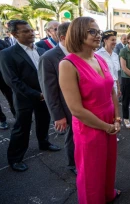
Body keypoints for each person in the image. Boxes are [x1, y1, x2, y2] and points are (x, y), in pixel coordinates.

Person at [59, 17, 121, 203]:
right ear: (78, 33)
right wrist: (106, 126)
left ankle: (107, 194)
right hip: (90, 125)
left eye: (98, 31)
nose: (97, 35)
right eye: (92, 31)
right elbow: (76, 109)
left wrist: (117, 118)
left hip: (109, 120)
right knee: (91, 172)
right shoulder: (68, 64)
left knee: (108, 164)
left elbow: (112, 90)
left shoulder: (99, 58)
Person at [0, 20, 60, 172]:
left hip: (43, 95)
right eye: (25, 31)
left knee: (44, 121)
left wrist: (47, 92)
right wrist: (37, 95)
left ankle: (44, 142)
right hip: (24, 98)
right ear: (14, 34)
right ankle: (15, 159)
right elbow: (12, 81)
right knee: (22, 128)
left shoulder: (40, 49)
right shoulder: (7, 54)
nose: (31, 33)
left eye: (31, 30)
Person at [38, 22, 76, 174]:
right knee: (72, 138)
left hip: (82, 105)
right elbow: (49, 90)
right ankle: (73, 165)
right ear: (63, 37)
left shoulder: (78, 53)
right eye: (75, 35)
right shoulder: (48, 57)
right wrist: (58, 116)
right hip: (65, 107)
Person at [95, 30, 121, 97]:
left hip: (114, 87)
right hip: (103, 87)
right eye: (112, 40)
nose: (115, 42)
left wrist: (118, 88)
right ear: (105, 40)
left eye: (115, 40)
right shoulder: (97, 55)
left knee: (114, 106)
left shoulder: (115, 55)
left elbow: (115, 74)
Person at [0, 37, 15, 130]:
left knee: (11, 97)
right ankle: (2, 120)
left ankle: (17, 115)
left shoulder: (2, 43)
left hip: (3, 75)